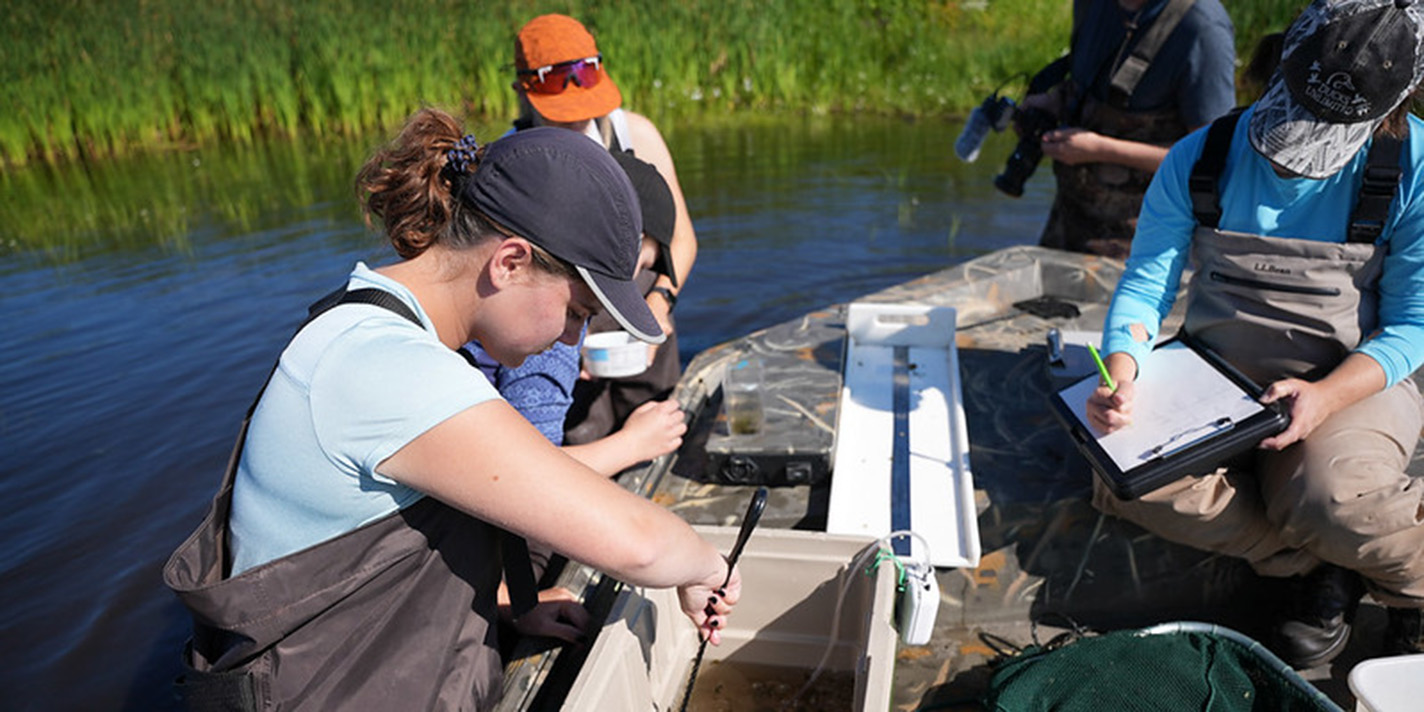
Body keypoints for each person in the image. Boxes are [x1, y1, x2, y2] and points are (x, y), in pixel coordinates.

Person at [163, 111, 740, 710]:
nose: (574, 340)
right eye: (577, 312)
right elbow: (639, 544)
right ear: (509, 262)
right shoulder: (388, 369)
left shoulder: (366, 319)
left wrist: (511, 601)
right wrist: (708, 568)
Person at [1086, 0, 1424, 669]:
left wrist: (1324, 398)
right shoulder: (1199, 155)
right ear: (1282, 63)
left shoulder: (1414, 168)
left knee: (1328, 500)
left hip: (1352, 383)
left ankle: (1411, 590)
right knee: (1124, 477)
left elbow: (1413, 326)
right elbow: (1146, 287)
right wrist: (1122, 371)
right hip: (1214, 381)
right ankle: (1316, 566)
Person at [511, 13, 696, 446]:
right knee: (583, 436)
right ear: (523, 91)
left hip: (643, 312)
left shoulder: (636, 135)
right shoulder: (512, 161)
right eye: (563, 116)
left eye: (586, 108)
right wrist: (556, 339)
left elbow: (683, 239)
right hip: (566, 335)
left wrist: (661, 301)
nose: (578, 121)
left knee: (659, 426)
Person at [463, 150, 686, 478]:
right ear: (632, 245)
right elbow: (533, 479)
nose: (640, 280)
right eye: (644, 265)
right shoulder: (547, 333)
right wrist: (633, 444)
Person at [1025, 0, 1236, 258]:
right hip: (1064, 227)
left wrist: (1102, 150)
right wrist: (1053, 102)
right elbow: (1084, 81)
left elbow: (1214, 160)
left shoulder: (1202, 29)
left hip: (1145, 248)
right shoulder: (1090, 6)